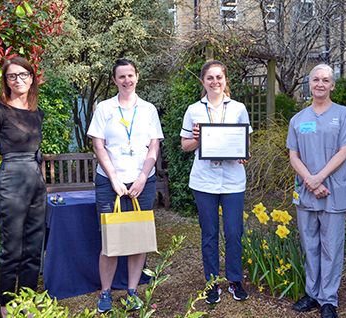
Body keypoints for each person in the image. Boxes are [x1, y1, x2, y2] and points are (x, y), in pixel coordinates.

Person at [87, 58, 164, 313]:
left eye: (130, 75)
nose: (126, 80)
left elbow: (154, 146)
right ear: (114, 80)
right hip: (111, 182)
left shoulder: (149, 109)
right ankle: (105, 293)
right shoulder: (104, 109)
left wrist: (143, 177)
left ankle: (132, 291)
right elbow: (99, 145)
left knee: (138, 238)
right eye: (121, 77)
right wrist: (114, 179)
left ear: (137, 76)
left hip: (143, 182)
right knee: (110, 239)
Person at [287, 64, 346, 318]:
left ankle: (329, 299)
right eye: (316, 79)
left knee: (332, 246)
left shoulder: (345, 115)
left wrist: (320, 178)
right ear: (309, 84)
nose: (320, 84)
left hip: (333, 191)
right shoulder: (298, 119)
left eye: (325, 80)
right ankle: (312, 293)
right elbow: (293, 155)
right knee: (310, 245)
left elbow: (345, 151)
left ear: (332, 85)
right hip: (307, 191)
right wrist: (310, 180)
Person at [0, 57, 47, 318]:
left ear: (32, 78)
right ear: (5, 81)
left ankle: (27, 299)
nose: (18, 79)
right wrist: (0, 177)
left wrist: (41, 180)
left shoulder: (37, 113)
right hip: (11, 179)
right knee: (12, 247)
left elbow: (38, 151)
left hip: (35, 180)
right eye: (12, 76)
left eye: (23, 74)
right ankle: (5, 302)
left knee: (33, 246)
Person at [180, 60, 252, 304]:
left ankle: (234, 280)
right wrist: (200, 140)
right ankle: (212, 283)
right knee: (209, 234)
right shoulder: (194, 110)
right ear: (203, 81)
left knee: (234, 233)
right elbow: (185, 145)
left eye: (219, 77)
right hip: (204, 181)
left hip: (232, 181)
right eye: (210, 78)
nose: (215, 82)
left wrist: (243, 153)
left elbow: (246, 143)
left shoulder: (238, 108)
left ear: (225, 80)